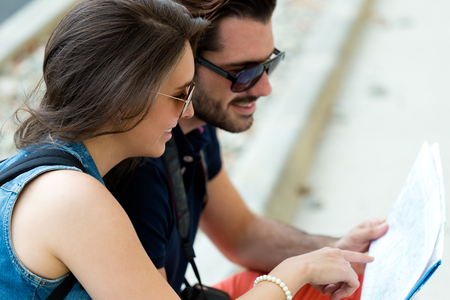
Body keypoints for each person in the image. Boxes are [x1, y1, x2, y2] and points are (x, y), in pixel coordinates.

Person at [0, 0, 375, 299]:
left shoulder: (57, 169)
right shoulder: (74, 198)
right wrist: (296, 271)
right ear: (122, 98)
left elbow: (243, 234)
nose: (190, 111)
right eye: (180, 95)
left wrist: (334, 254)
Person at [105, 0, 389, 299]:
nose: (264, 88)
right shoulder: (139, 168)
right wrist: (297, 271)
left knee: (358, 282)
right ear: (182, 66)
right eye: (242, 73)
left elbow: (242, 235)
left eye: (269, 64)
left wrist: (340, 249)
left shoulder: (195, 126)